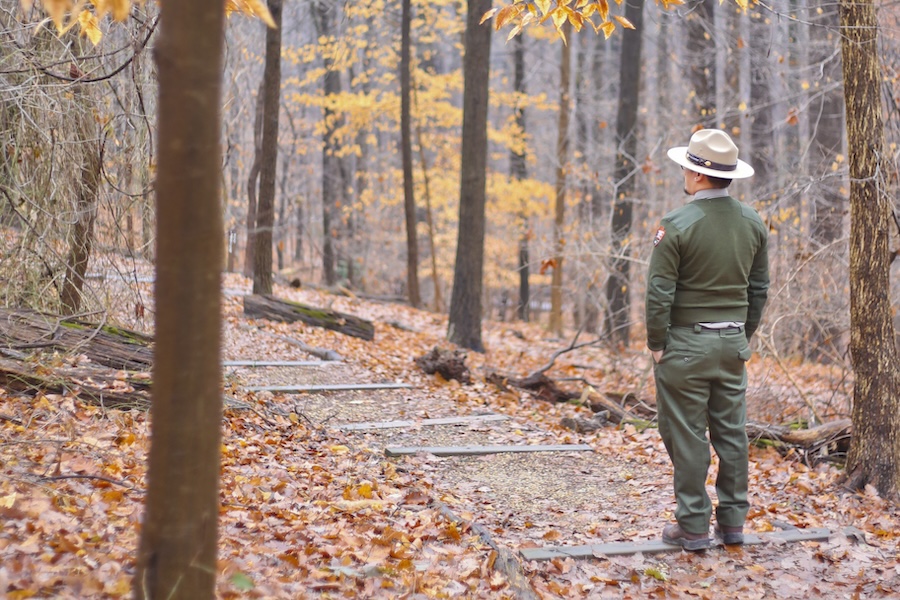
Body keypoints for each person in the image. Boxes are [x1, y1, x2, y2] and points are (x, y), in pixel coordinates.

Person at [645, 129, 769, 551]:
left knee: (686, 433)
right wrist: (741, 334)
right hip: (732, 344)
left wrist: (657, 343)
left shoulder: (676, 224)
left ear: (697, 176)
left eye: (686, 166)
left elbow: (659, 291)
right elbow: (759, 289)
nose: (683, 172)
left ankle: (694, 525)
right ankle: (733, 523)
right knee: (731, 433)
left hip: (684, 345)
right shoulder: (752, 222)